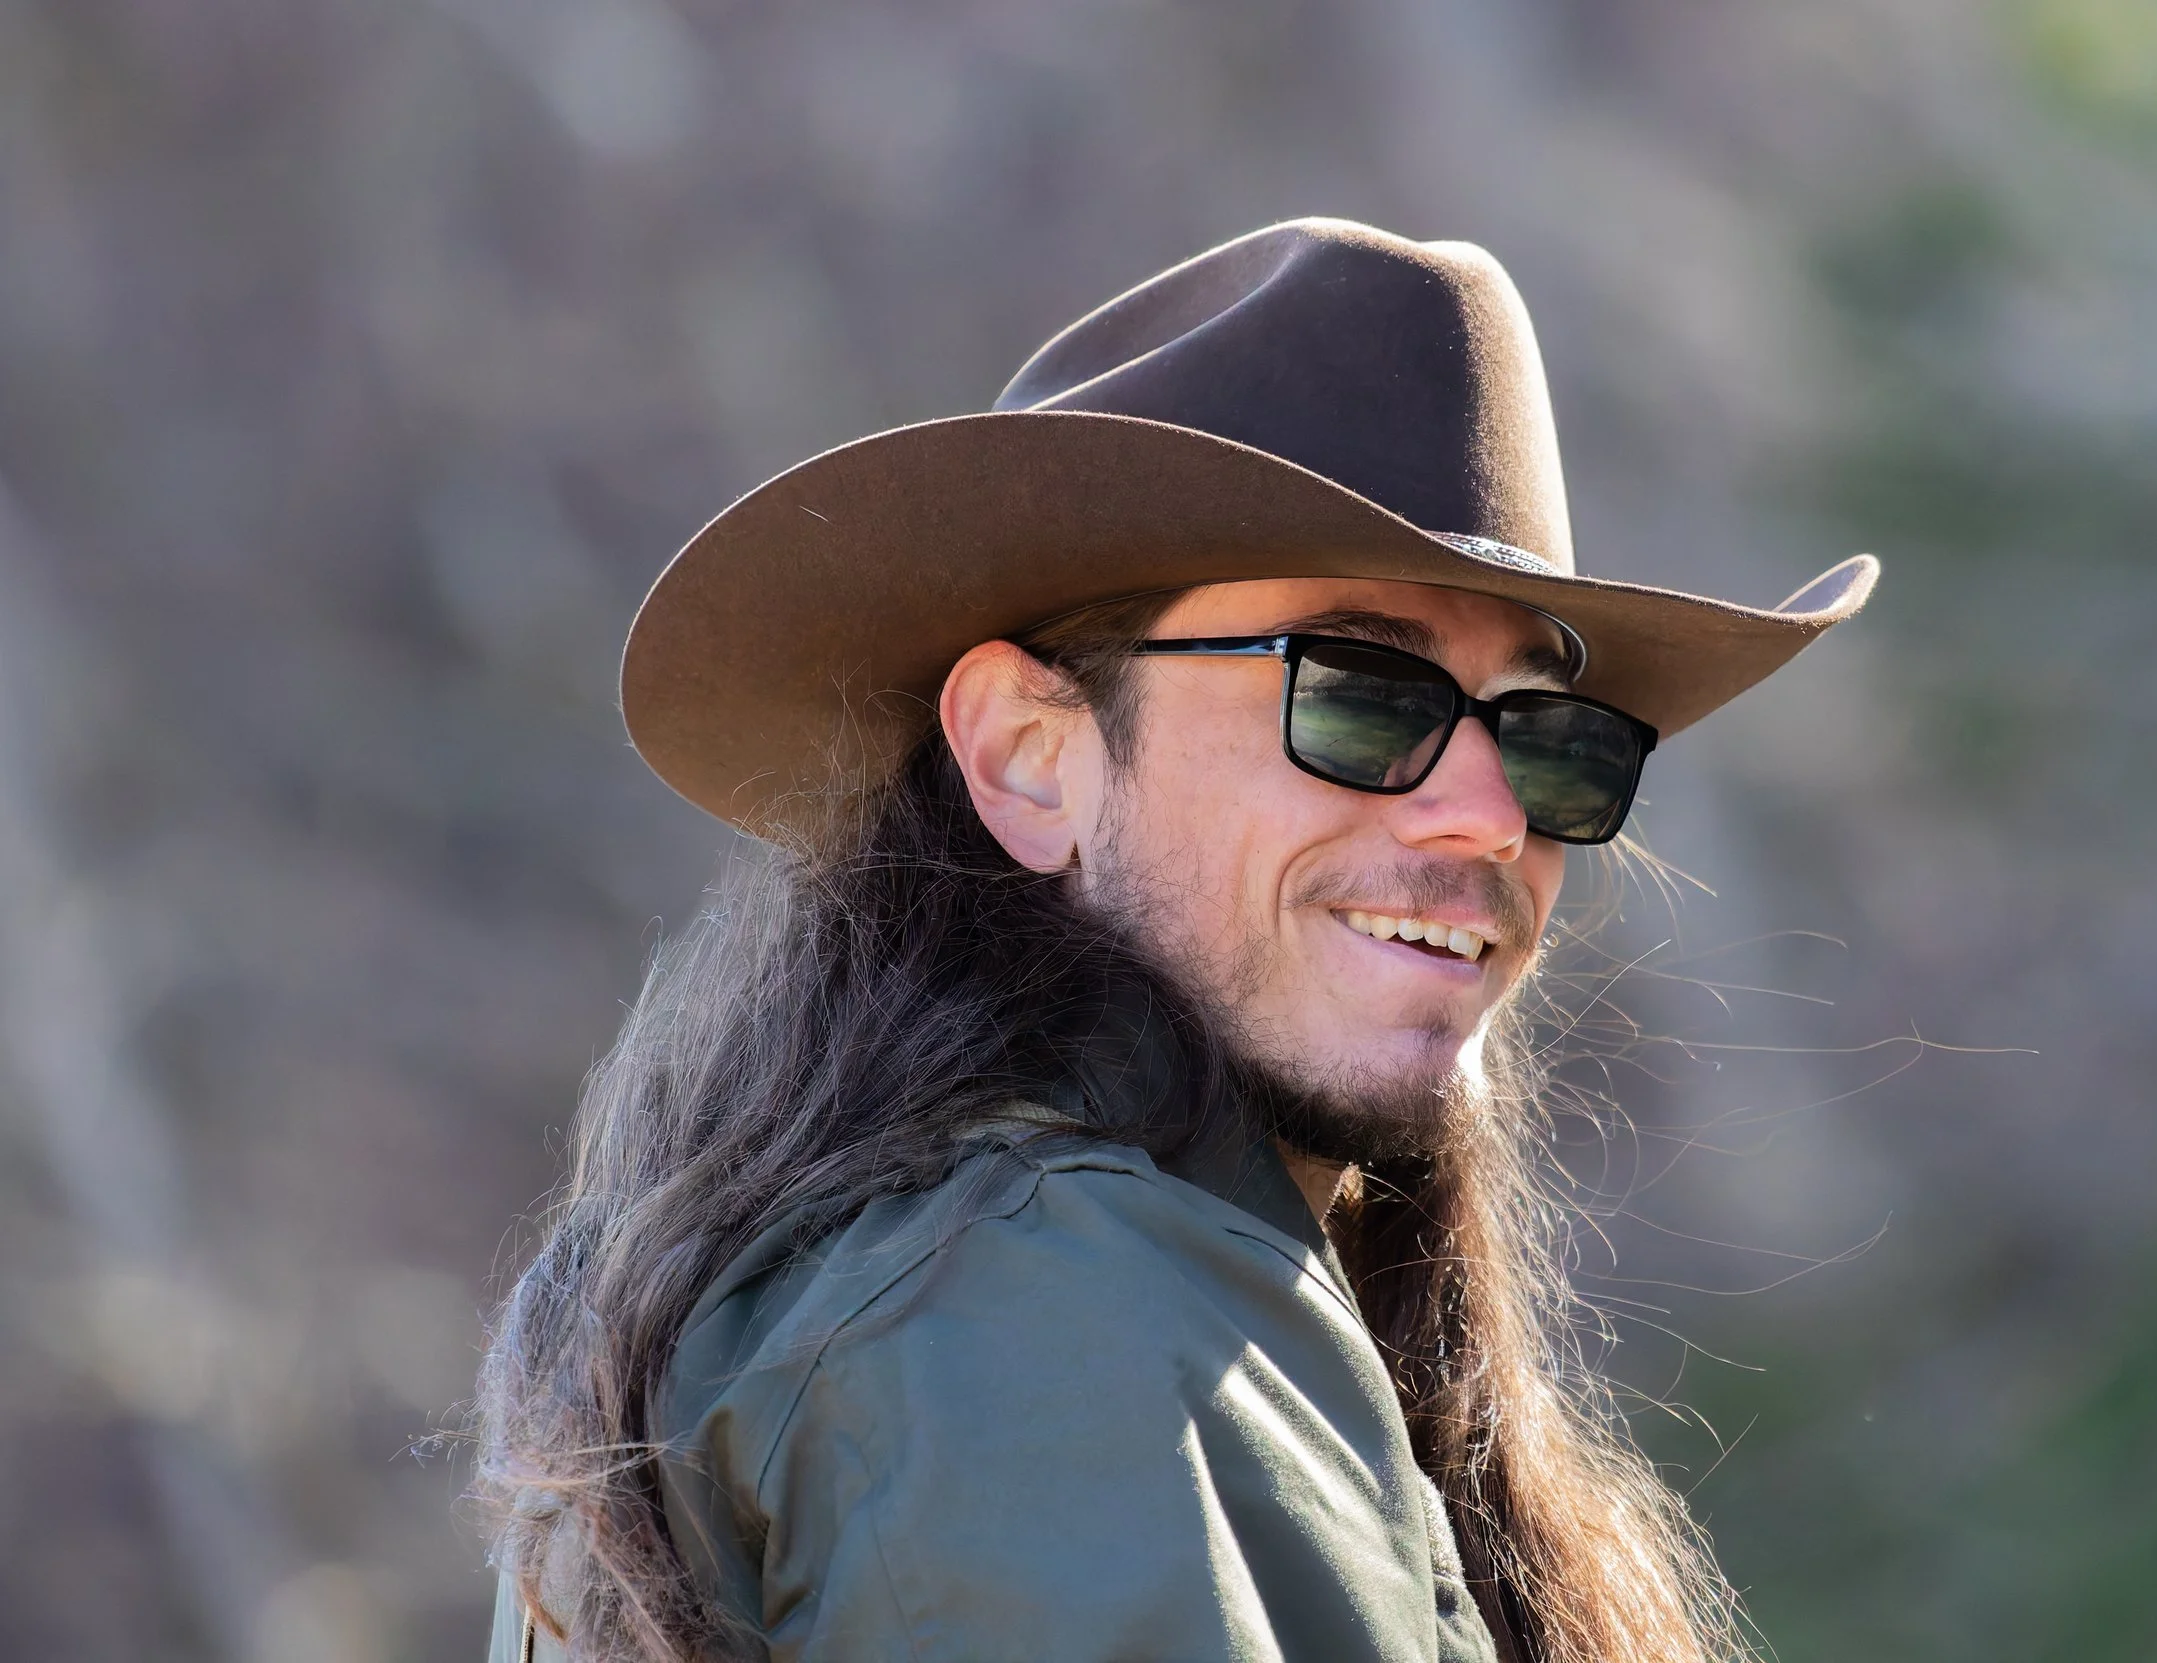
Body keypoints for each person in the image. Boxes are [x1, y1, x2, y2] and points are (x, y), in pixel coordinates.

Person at [473, 217, 1875, 1663]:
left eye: (1547, 733)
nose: (1490, 814)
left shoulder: (947, 1287)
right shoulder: (1026, 1310)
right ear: (1028, 756)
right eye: (1363, 693)